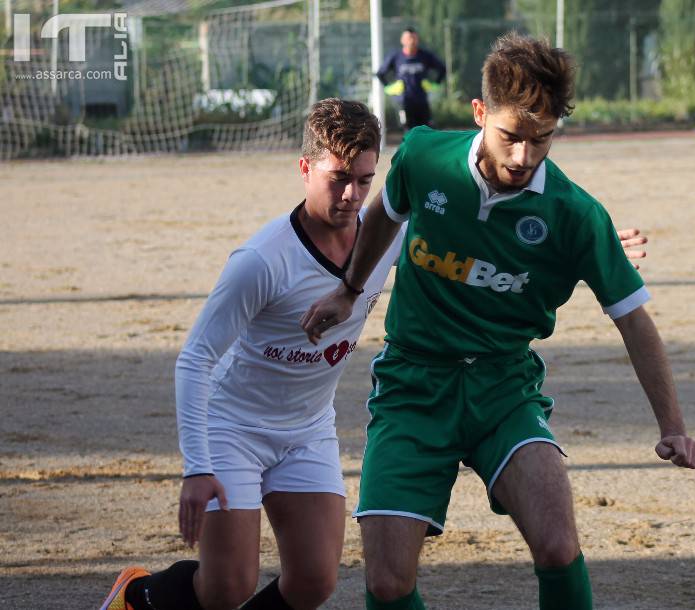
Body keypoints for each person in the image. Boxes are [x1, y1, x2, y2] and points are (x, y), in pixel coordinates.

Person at [99, 96, 646, 610]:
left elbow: (468, 253)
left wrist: (587, 247)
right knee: (227, 588)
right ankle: (138, 595)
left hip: (307, 429)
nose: (351, 198)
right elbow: (194, 360)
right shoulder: (261, 262)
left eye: (364, 182)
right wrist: (197, 467)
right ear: (304, 168)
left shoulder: (382, 240)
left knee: (313, 583)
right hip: (234, 428)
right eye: (338, 180)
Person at [300, 33, 695, 610]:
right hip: (413, 385)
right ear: (480, 113)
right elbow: (385, 215)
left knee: (559, 545)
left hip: (504, 388)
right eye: (511, 135)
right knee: (387, 583)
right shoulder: (424, 157)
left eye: (541, 140)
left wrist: (673, 425)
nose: (523, 157)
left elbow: (635, 322)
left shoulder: (577, 216)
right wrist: (349, 290)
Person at [375, 27, 446, 131]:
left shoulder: (425, 56)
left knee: (425, 130)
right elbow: (380, 74)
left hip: (421, 101)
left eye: (414, 38)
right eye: (409, 38)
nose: (411, 41)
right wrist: (389, 88)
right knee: (408, 130)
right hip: (404, 102)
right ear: (402, 40)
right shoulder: (396, 57)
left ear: (417, 40)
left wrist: (434, 85)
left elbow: (442, 69)